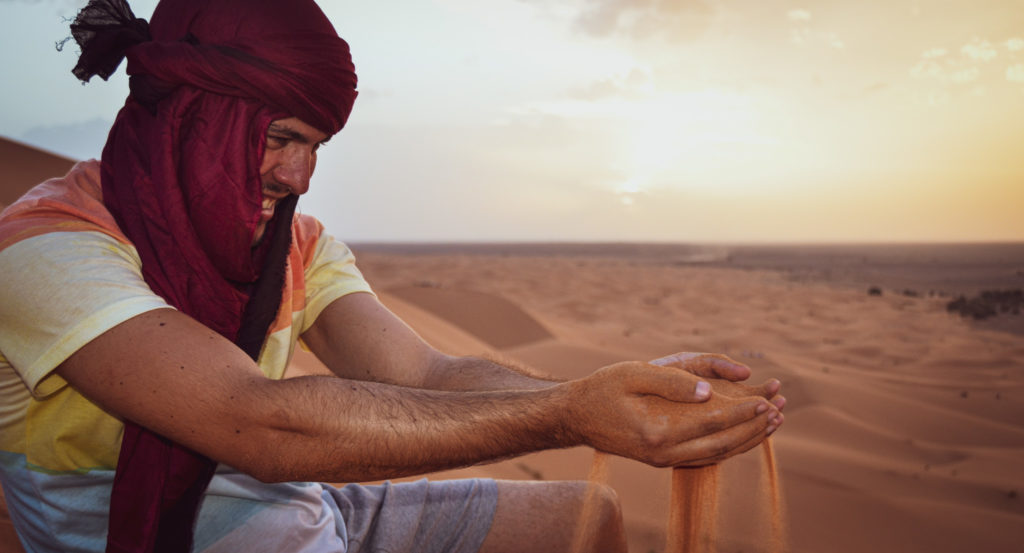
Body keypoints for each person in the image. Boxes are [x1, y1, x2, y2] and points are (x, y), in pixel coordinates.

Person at [0, 0, 785, 551]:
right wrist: (571, 418)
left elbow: (425, 371)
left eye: (316, 147)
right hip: (176, 534)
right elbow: (259, 424)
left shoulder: (294, 243)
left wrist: (618, 394)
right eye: (279, 138)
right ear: (191, 115)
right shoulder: (51, 248)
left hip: (311, 507)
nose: (299, 174)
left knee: (590, 517)